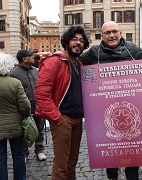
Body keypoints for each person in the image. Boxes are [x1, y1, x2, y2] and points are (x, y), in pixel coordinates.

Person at [78, 21, 142, 180]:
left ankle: (132, 177)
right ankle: (112, 176)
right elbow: (75, 61)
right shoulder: (94, 52)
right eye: (107, 33)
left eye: (114, 32)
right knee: (109, 143)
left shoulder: (132, 49)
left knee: (131, 146)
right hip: (105, 108)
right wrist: (56, 56)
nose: (111, 35)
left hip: (131, 107)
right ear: (102, 36)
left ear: (120, 33)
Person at [35, 26, 89, 180]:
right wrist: (57, 118)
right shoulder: (54, 61)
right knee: (61, 166)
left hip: (78, 120)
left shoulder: (80, 64)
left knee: (72, 163)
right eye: (74, 39)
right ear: (66, 42)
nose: (78, 43)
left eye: (81, 41)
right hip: (63, 119)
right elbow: (41, 93)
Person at [11, 50, 47, 162]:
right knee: (24, 132)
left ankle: (40, 151)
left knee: (40, 130)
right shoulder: (14, 74)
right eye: (30, 56)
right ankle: (24, 153)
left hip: (38, 106)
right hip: (22, 109)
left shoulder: (36, 71)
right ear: (24, 59)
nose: (33, 57)